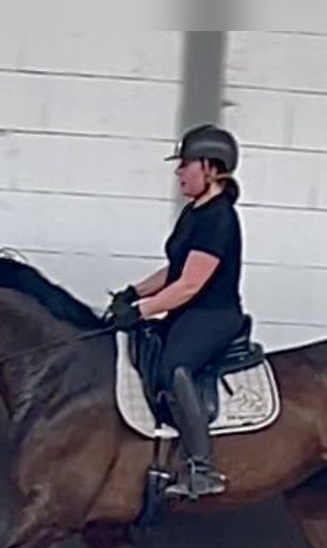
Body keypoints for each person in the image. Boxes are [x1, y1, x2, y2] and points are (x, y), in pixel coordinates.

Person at [105, 123, 247, 500]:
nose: (179, 172)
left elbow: (190, 284)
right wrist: (132, 292)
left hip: (214, 315)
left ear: (211, 168)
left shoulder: (219, 218)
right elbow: (175, 269)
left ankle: (202, 467)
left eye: (186, 165)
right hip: (188, 311)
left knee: (174, 367)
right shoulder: (193, 213)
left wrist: (141, 310)